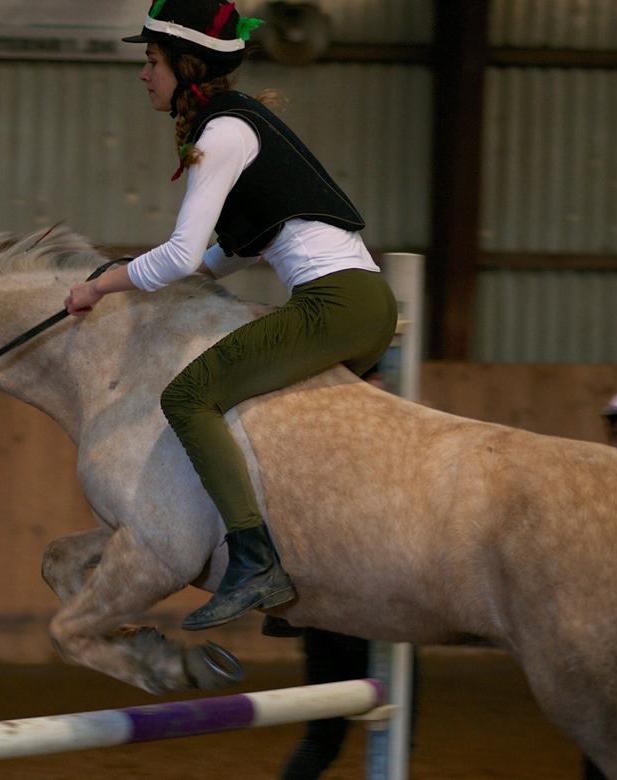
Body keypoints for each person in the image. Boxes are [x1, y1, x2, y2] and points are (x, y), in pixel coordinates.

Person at [65, 0, 398, 631]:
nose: (143, 74)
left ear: (187, 66)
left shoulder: (221, 134)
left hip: (337, 306)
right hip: (361, 304)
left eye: (152, 61)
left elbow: (182, 253)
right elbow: (221, 256)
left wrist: (104, 286)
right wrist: (136, 280)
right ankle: (303, 562)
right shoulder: (242, 125)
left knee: (189, 398)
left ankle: (253, 561)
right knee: (258, 418)